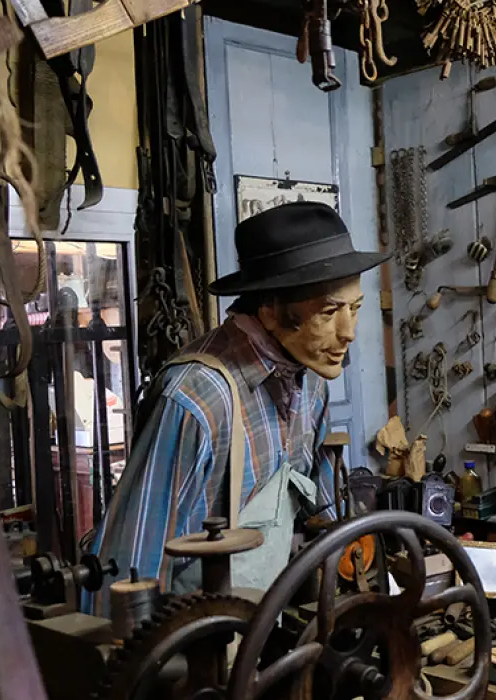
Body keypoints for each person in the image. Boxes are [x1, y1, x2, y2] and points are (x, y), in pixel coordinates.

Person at [85, 202, 387, 611]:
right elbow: (128, 569)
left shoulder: (311, 379)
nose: (348, 332)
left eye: (355, 308)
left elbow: (317, 503)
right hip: (190, 637)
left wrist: (347, 541)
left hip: (263, 624)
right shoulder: (196, 399)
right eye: (329, 311)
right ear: (270, 311)